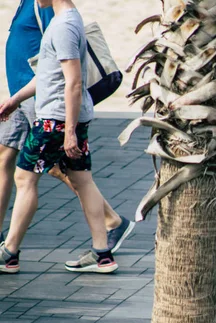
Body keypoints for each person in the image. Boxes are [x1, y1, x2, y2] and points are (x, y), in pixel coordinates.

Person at [0, 0, 133, 274]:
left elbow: (73, 81)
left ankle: (9, 253)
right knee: (83, 181)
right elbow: (49, 74)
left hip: (55, 119)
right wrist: (15, 99)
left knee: (24, 178)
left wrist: (69, 131)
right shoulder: (67, 21)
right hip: (64, 117)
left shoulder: (63, 26)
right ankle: (102, 255)